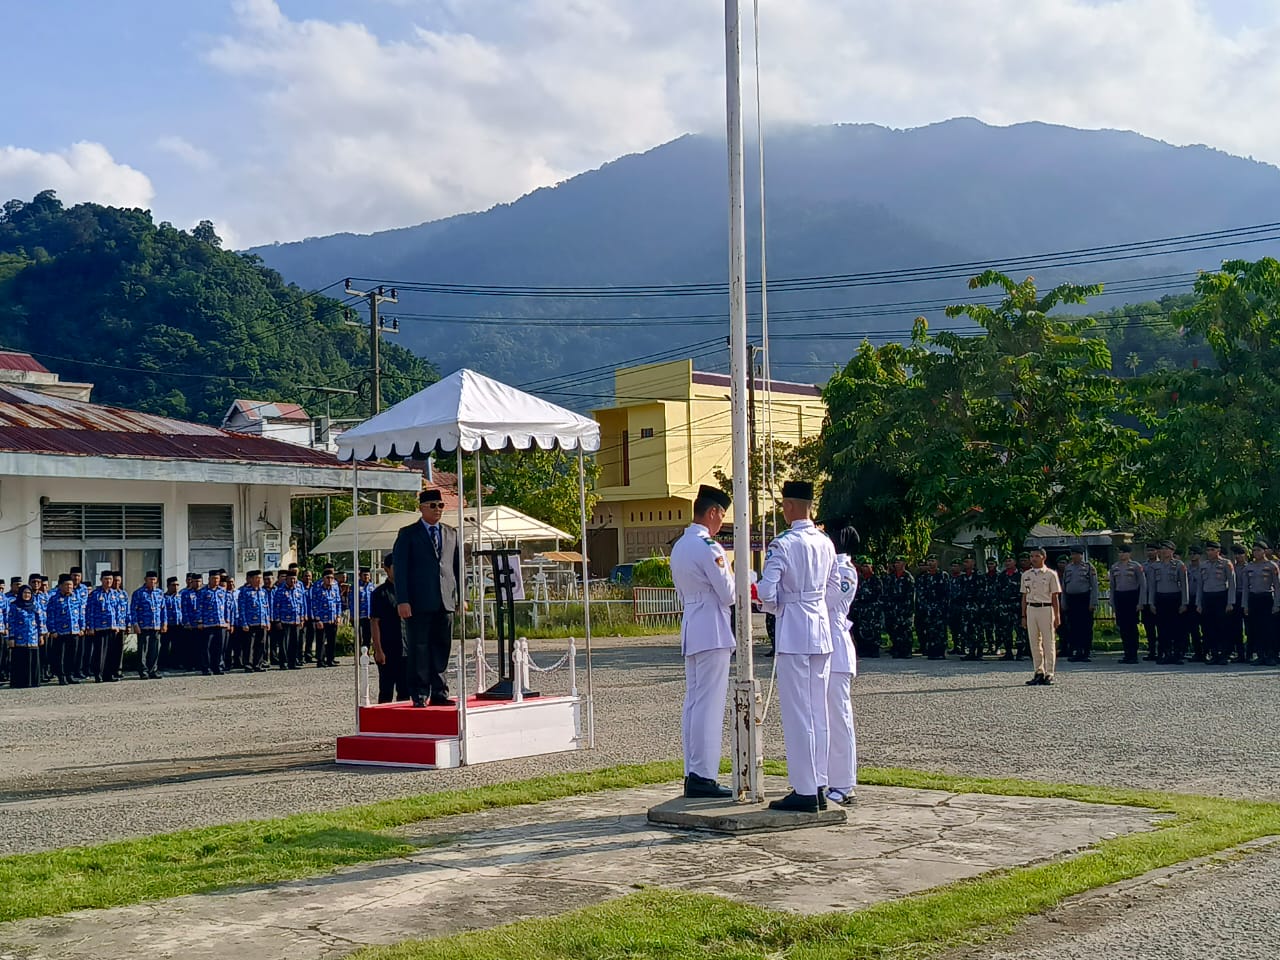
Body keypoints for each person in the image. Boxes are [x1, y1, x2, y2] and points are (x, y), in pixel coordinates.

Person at [757, 479, 838, 813]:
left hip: (794, 630)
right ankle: (819, 782)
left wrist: (780, 607)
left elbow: (766, 591)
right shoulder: (825, 542)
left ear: (789, 506)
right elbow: (834, 590)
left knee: (797, 712)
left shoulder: (784, 544)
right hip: (821, 627)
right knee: (819, 710)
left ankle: (804, 789)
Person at [669, 484, 736, 799]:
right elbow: (728, 594)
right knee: (709, 705)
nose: (722, 521)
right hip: (712, 627)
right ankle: (704, 775)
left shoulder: (681, 545)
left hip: (692, 625)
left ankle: (693, 770)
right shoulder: (709, 546)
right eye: (721, 515)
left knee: (694, 704)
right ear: (711, 513)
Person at [392, 488, 464, 708]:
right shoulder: (408, 534)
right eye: (433, 505)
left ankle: (440, 691)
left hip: (445, 599)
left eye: (441, 505)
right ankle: (420, 692)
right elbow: (401, 570)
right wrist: (403, 600)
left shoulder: (451, 533)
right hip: (418, 601)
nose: (437, 510)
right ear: (421, 508)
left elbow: (458, 568)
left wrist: (462, 597)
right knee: (419, 647)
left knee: (442, 647)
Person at [824, 524, 860, 807]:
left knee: (839, 717)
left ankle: (845, 783)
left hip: (837, 646)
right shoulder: (830, 568)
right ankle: (826, 777)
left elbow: (827, 601)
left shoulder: (844, 570)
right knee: (823, 717)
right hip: (824, 645)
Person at [1020, 547, 1061, 685]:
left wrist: (1057, 615)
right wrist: (1023, 615)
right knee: (1034, 642)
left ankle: (1049, 673)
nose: (1033, 559)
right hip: (1032, 608)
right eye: (1032, 556)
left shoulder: (1050, 574)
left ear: (1043, 557)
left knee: (1048, 642)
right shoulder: (1026, 575)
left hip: (1046, 608)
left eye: (1037, 556)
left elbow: (1055, 596)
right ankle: (1038, 671)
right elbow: (1024, 596)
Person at [370, 553, 407, 703]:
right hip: (388, 648)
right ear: (386, 569)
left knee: (405, 691)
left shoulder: (407, 591)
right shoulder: (380, 593)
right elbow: (374, 622)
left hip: (406, 649)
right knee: (386, 691)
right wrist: (378, 650)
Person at [1146, 541, 1188, 665]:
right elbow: (1152, 585)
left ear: (1172, 551)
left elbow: (1184, 585)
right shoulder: (1155, 566)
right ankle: (1165, 653)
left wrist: (1184, 603)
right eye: (1162, 548)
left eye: (1167, 549)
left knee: (1176, 628)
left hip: (1175, 598)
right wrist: (1151, 603)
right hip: (1161, 598)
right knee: (1162, 629)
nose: (1164, 551)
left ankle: (1177, 654)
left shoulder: (1179, 565)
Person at [1196, 540, 1236, 665]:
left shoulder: (1226, 563)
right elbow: (1199, 585)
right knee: (1209, 628)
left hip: (1221, 597)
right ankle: (1213, 653)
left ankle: (1224, 654)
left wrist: (1230, 602)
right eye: (1208, 550)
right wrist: (1199, 603)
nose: (1209, 552)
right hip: (1208, 598)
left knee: (1222, 627)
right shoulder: (1203, 565)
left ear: (1218, 551)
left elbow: (1232, 584)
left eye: (1212, 550)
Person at [1240, 541, 1280, 666]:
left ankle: (1271, 655)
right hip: (1254, 599)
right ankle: (1260, 654)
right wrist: (1245, 605)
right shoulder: (1249, 567)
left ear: (1264, 551)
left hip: (1267, 598)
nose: (1256, 553)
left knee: (1269, 629)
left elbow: (1277, 587)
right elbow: (1245, 588)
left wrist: (1277, 604)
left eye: (1258, 550)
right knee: (1256, 629)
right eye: (1254, 550)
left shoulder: (1272, 566)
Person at [1108, 544, 1146, 664]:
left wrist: (1141, 602)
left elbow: (1143, 585)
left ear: (1129, 554)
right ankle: (1126, 653)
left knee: (1132, 627)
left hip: (1132, 597)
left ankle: (1133, 654)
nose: (1121, 555)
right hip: (1120, 597)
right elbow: (1113, 586)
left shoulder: (1136, 566)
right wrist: (1112, 601)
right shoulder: (1114, 567)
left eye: (1124, 552)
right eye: (1120, 552)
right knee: (1123, 627)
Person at [1061, 545, 1099, 662]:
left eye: (1076, 554)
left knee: (1085, 627)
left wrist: (1093, 602)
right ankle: (1076, 650)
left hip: (1084, 599)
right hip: (1072, 599)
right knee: (1073, 626)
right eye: (1072, 554)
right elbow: (1064, 586)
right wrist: (1063, 602)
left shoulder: (1088, 567)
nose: (1074, 556)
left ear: (1081, 555)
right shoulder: (1068, 568)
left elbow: (1094, 586)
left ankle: (1085, 651)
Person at [45, 574, 84, 685]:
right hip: (60, 632)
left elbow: (80, 614)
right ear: (60, 586)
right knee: (60, 655)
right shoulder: (54, 599)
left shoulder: (76, 597)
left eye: (71, 585)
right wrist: (52, 630)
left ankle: (69, 674)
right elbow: (50, 616)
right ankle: (61, 676)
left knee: (72, 654)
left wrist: (82, 627)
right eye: (67, 585)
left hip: (74, 630)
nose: (69, 587)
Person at [129, 570, 167, 680]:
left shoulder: (159, 593)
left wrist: (164, 623)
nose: (152, 582)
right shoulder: (139, 593)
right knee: (143, 650)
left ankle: (153, 670)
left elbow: (163, 610)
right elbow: (133, 610)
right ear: (145, 580)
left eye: (154, 580)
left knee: (155, 649)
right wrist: (135, 624)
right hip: (143, 625)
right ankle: (143, 671)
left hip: (156, 625)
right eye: (150, 579)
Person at [6, 584, 44, 688]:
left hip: (33, 637)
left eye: (28, 593)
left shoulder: (35, 605)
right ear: (20, 594)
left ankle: (33, 681)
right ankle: (19, 682)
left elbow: (40, 621)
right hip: (19, 639)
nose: (27, 595)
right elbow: (11, 622)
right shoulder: (14, 605)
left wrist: (41, 635)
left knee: (32, 659)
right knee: (20, 660)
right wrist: (12, 637)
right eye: (24, 593)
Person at [914, 555, 949, 660]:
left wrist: (944, 607)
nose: (930, 563)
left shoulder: (943, 575)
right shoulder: (924, 577)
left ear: (937, 562)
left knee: (940, 631)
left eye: (932, 561)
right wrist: (923, 607)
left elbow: (947, 593)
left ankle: (941, 651)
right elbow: (920, 594)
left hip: (940, 609)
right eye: (929, 561)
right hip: (928, 609)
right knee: (929, 630)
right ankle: (931, 651)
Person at [273, 569, 308, 670]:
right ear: (286, 579)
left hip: (296, 620)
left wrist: (302, 618)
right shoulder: (280, 590)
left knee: (295, 642)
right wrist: (277, 620)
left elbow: (301, 605)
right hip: (284, 620)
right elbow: (276, 607)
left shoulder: (298, 590)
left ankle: (292, 662)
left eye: (294, 579)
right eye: (291, 579)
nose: (293, 581)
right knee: (284, 643)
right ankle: (283, 662)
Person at [850, 556, 883, 659]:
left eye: (866, 566)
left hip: (872, 609)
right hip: (861, 609)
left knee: (874, 630)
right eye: (863, 566)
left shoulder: (876, 579)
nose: (864, 568)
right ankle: (863, 649)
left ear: (871, 566)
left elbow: (876, 594)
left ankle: (874, 650)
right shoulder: (859, 579)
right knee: (861, 630)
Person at [237, 570, 271, 672]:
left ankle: (258, 664)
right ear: (251, 579)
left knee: (260, 644)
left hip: (262, 622)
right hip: (250, 623)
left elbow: (266, 608)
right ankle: (248, 664)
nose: (259, 580)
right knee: (249, 645)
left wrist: (267, 621)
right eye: (257, 578)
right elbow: (241, 608)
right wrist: (244, 623)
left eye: (260, 578)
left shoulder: (263, 591)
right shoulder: (244, 592)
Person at [198, 570, 230, 676]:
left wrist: (228, 621)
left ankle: (218, 667)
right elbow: (199, 607)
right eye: (213, 579)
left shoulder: (223, 591)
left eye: (217, 579)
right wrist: (200, 621)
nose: (216, 581)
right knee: (206, 647)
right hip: (207, 624)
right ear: (209, 579)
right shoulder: (203, 592)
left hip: (221, 623)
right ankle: (206, 668)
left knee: (219, 647)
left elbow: (227, 607)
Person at [883, 556, 915, 659]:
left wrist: (908, 610)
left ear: (904, 564)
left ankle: (906, 651)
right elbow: (887, 592)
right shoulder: (891, 577)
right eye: (895, 562)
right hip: (893, 607)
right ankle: (896, 649)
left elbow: (910, 595)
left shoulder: (908, 577)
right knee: (894, 629)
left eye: (899, 562)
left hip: (904, 607)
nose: (896, 564)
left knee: (905, 630)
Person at [309, 569, 342, 667]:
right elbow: (314, 604)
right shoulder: (318, 589)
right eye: (328, 578)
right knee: (321, 641)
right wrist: (317, 619)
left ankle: (330, 659)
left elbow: (338, 602)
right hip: (322, 620)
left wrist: (338, 616)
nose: (330, 580)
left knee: (332, 640)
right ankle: (320, 660)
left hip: (333, 618)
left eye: (332, 578)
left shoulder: (334, 588)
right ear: (323, 579)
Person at [995, 556, 1024, 660]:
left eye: (1010, 561)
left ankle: (1020, 653)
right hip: (1005, 606)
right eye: (1006, 561)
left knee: (1019, 630)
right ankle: (1008, 652)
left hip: (1017, 606)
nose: (1007, 563)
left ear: (1015, 562)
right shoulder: (1001, 576)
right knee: (1006, 630)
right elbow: (997, 591)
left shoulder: (1021, 575)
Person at [1140, 543, 1161, 661]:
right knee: (1149, 627)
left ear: (1157, 551)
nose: (1150, 553)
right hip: (1146, 599)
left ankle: (1162, 650)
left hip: (1159, 598)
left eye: (1152, 550)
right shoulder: (1143, 566)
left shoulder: (1161, 565)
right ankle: (1152, 651)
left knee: (1161, 626)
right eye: (1148, 550)